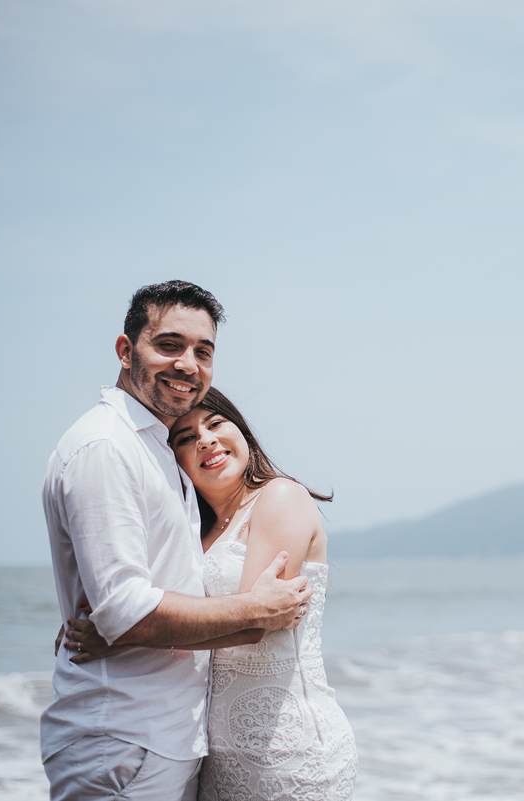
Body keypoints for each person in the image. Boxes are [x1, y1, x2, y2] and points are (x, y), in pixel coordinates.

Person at [42, 281, 313, 801]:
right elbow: (124, 609)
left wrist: (116, 625)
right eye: (169, 345)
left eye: (203, 351)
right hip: (123, 735)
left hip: (168, 739)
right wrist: (254, 608)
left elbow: (131, 601)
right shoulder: (107, 446)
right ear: (126, 351)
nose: (188, 364)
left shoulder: (154, 451)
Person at [64, 387, 358, 800]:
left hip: (288, 747)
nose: (205, 439)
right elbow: (163, 603)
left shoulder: (279, 497)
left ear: (243, 433)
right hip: (215, 751)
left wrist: (124, 633)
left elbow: (253, 622)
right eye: (185, 438)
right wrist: (106, 614)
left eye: (216, 423)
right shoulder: (193, 533)